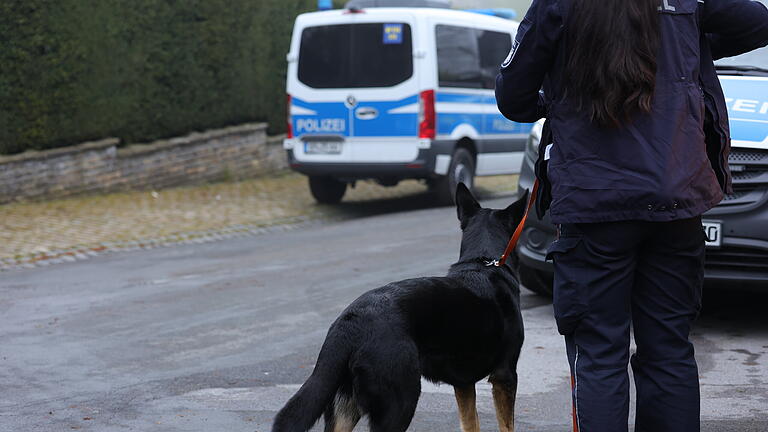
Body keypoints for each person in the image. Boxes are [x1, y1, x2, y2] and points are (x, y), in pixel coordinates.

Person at [495, 0, 768, 431]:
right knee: (669, 350)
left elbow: (513, 96)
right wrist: (682, 50)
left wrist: (561, 95)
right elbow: (758, 23)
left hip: (593, 205)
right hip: (676, 200)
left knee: (599, 355)